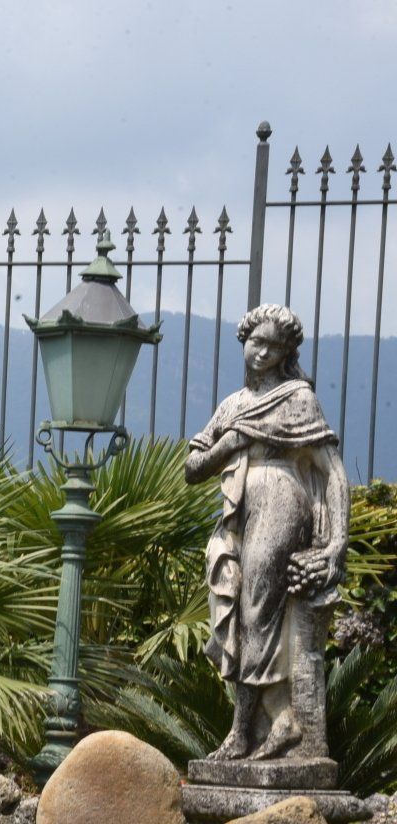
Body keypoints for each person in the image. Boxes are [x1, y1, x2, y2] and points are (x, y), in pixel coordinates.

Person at [184, 303, 349, 761]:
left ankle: (243, 732)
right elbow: (192, 468)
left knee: (257, 608)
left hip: (280, 500)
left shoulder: (298, 399)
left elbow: (332, 472)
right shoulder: (234, 406)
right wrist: (232, 441)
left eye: (275, 347)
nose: (263, 353)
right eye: (257, 341)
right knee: (236, 605)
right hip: (239, 512)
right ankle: (279, 720)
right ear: (245, 339)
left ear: (286, 354)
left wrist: (337, 542)